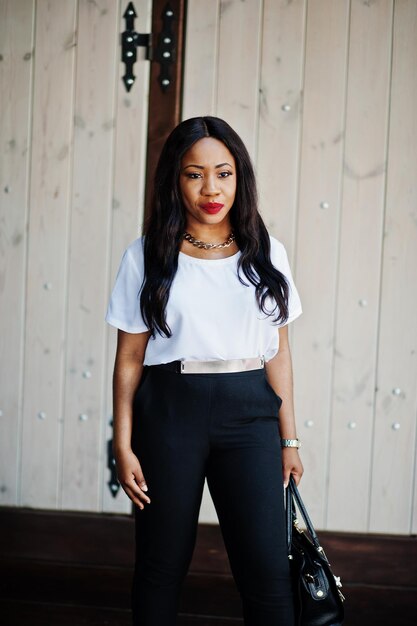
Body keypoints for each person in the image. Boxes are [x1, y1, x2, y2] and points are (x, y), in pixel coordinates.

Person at [105, 116, 304, 626]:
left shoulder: (267, 253)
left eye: (224, 173)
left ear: (240, 179)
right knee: (160, 565)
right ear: (175, 179)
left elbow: (278, 354)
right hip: (171, 414)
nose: (211, 189)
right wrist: (123, 444)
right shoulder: (146, 256)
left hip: (250, 416)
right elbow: (129, 359)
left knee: (268, 573)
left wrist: (289, 441)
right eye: (194, 174)